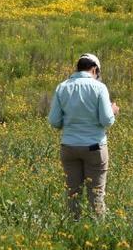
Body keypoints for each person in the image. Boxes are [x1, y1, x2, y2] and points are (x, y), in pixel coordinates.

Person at [48, 53, 118, 221]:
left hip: (69, 147)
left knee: (72, 194)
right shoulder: (99, 88)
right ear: (94, 70)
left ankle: (73, 226)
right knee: (96, 194)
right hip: (94, 147)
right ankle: (98, 229)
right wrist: (113, 111)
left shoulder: (62, 87)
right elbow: (106, 120)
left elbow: (54, 121)